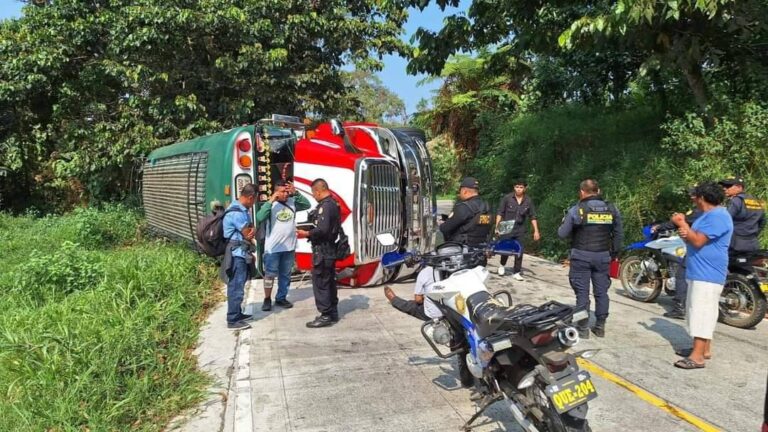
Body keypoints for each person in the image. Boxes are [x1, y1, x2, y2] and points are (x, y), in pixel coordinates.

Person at [670, 181, 733, 369]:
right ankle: (703, 349)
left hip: (708, 273)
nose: (692, 198)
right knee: (698, 311)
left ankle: (697, 357)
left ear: (703, 198)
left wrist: (681, 223)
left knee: (702, 313)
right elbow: (693, 236)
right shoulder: (709, 215)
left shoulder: (718, 216)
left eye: (695, 195)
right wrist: (685, 232)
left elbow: (697, 241)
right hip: (699, 270)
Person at [383, 265, 474, 388]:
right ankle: (468, 381)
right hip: (457, 312)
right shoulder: (459, 267)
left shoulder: (425, 272)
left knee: (411, 306)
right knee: (463, 344)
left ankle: (394, 299)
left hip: (435, 314)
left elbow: (418, 299)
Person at [557, 179, 623, 338]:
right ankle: (600, 326)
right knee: (601, 292)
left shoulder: (577, 210)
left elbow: (562, 234)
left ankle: (582, 328)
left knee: (582, 293)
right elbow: (618, 234)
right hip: (602, 257)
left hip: (581, 256)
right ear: (598, 191)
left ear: (582, 192)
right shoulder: (611, 209)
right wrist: (613, 254)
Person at [255, 180, 311, 311]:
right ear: (275, 192)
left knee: (285, 274)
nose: (285, 194)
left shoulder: (293, 202)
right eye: (282, 191)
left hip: (289, 247)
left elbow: (307, 204)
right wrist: (270, 201)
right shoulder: (270, 205)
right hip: (273, 248)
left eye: (287, 191)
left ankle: (281, 298)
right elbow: (259, 216)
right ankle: (267, 298)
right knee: (269, 275)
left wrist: (296, 192)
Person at [652, 187, 703, 320]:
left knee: (681, 274)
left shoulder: (699, 211)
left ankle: (679, 308)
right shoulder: (720, 211)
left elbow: (678, 223)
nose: (691, 196)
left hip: (698, 248)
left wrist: (659, 227)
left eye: (694, 194)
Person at [297, 178, 342, 328]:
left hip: (323, 250)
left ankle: (325, 315)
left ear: (318, 190)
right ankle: (332, 312)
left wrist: (306, 234)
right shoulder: (333, 204)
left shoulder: (326, 206)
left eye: (313, 193)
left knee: (321, 283)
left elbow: (322, 229)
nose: (314, 196)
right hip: (328, 250)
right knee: (329, 282)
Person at [222, 183, 258, 330]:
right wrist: (252, 230)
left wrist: (251, 230)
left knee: (239, 284)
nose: (254, 203)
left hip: (241, 252)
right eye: (254, 199)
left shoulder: (241, 209)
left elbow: (249, 231)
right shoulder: (237, 213)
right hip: (237, 254)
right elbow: (248, 233)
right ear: (250, 197)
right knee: (236, 286)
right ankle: (233, 319)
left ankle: (237, 313)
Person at [495, 179, 540, 280]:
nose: (519, 189)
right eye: (517, 187)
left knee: (519, 249)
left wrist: (536, 231)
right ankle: (502, 265)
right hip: (506, 226)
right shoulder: (507, 198)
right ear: (514, 187)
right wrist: (497, 227)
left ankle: (516, 271)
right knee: (505, 248)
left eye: (521, 187)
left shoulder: (528, 200)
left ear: (524, 188)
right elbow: (500, 213)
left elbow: (533, 216)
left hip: (520, 227)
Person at [439, 177, 492, 247]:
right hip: (480, 249)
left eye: (460, 191)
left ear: (464, 191)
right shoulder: (486, 206)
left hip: (463, 251)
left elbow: (445, 229)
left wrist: (442, 224)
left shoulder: (464, 207)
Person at [719, 177, 765, 253]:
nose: (724, 189)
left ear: (739, 187)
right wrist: (754, 234)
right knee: (749, 264)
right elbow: (763, 221)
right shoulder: (756, 201)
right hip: (753, 243)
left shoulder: (736, 200)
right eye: (724, 186)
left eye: (728, 186)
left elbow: (725, 220)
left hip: (735, 245)